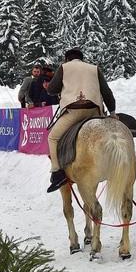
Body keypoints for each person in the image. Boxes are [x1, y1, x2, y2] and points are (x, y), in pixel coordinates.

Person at [45, 48, 116, 193]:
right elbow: (107, 92)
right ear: (81, 59)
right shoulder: (94, 69)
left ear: (67, 59)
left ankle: (57, 172)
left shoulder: (64, 68)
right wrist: (113, 112)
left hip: (74, 111)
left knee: (52, 137)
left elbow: (52, 89)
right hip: (94, 111)